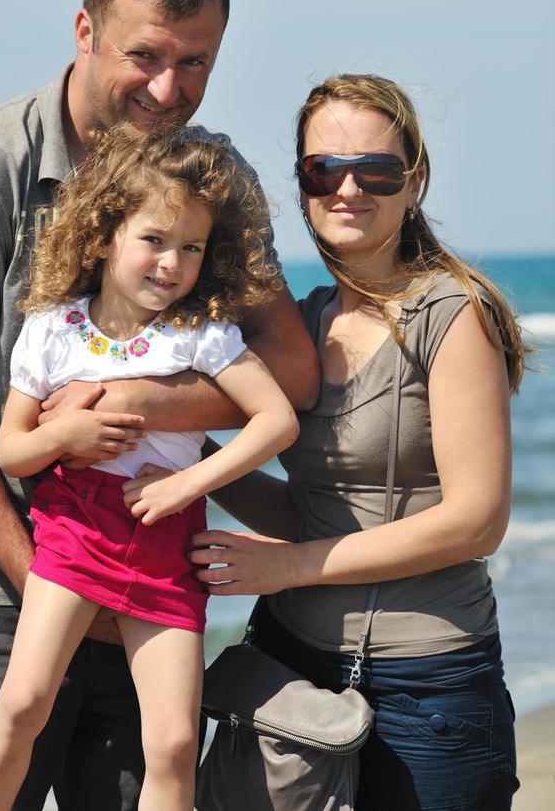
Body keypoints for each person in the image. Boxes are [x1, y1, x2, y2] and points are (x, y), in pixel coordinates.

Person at [0, 0, 319, 811]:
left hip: (146, 583)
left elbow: (290, 369)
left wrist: (140, 404)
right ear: (85, 30)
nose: (169, 89)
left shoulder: (214, 180)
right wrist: (48, 578)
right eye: (146, 55)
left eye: (195, 62)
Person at [191, 73, 523, 810]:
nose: (349, 189)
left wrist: (291, 568)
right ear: (304, 184)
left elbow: (478, 521)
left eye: (376, 170)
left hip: (428, 687)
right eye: (324, 170)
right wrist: (191, 464)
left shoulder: (453, 314)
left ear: (415, 183)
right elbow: (317, 512)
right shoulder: (301, 326)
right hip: (291, 671)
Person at [0, 126, 298, 811]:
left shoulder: (201, 331)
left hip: (166, 544)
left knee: (174, 742)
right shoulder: (53, 327)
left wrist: (188, 482)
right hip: (73, 531)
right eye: (154, 239)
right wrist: (70, 432)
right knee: (24, 703)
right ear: (106, 233)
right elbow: (13, 452)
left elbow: (277, 420)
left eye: (192, 248)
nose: (172, 263)